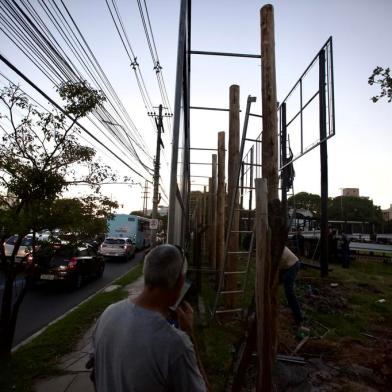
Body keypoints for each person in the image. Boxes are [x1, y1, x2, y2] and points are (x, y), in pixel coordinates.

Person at [89, 244, 209, 392]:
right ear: (179, 283)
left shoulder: (108, 313)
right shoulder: (176, 344)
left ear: (146, 274)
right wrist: (190, 335)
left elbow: (94, 374)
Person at [279, 246, 303, 327]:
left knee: (289, 292)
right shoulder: (272, 245)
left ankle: (298, 318)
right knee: (274, 284)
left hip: (292, 266)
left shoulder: (276, 249)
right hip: (288, 264)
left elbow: (277, 267)